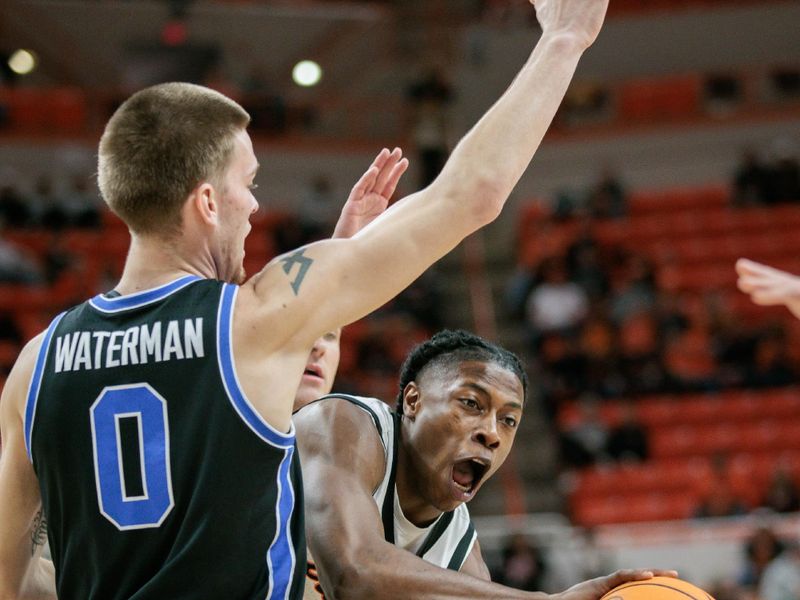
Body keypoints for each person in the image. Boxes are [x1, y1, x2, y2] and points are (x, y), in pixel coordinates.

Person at [0, 0, 623, 596]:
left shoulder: (35, 365)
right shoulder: (250, 321)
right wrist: (564, 40)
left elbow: (8, 577)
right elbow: (469, 195)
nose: (255, 205)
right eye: (248, 183)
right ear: (208, 201)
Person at [295, 329, 676, 599]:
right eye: (471, 404)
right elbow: (355, 575)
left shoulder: (458, 549)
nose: (492, 433)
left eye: (508, 420)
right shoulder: (343, 425)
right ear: (412, 401)